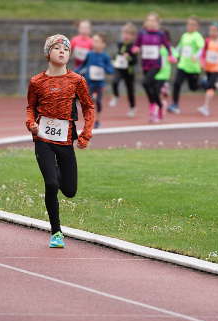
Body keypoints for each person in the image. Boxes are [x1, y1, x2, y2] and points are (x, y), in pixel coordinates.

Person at [25, 35, 94, 248]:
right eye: (56, 48)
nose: (62, 51)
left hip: (65, 140)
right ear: (48, 53)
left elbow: (88, 107)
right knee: (51, 183)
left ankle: (54, 167)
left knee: (70, 191)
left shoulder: (77, 80)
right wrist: (31, 124)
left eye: (65, 49)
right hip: (43, 139)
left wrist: (86, 133)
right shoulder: (36, 81)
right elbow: (30, 108)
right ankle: (56, 232)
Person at [131, 13, 175, 123]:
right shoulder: (142, 34)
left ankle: (153, 105)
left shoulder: (160, 35)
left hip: (156, 65)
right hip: (145, 64)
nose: (150, 23)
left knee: (145, 83)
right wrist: (135, 49)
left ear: (158, 23)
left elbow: (167, 45)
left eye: (153, 21)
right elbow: (136, 45)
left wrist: (170, 55)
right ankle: (158, 105)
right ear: (145, 23)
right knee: (152, 88)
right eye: (148, 20)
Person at [168, 16, 205, 114]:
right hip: (183, 65)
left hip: (193, 68)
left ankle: (207, 82)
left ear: (197, 26)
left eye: (193, 24)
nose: (190, 26)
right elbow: (179, 48)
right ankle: (175, 105)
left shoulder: (197, 36)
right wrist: (173, 55)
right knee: (176, 84)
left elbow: (202, 49)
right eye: (188, 24)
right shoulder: (184, 36)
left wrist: (196, 56)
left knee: (193, 88)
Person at [78, 33, 115, 128]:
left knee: (98, 101)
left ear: (103, 44)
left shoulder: (105, 57)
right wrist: (74, 72)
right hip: (89, 82)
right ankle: (89, 120)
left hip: (100, 84)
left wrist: (104, 67)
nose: (95, 43)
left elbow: (111, 70)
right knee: (89, 101)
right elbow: (83, 65)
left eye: (97, 41)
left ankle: (98, 120)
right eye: (93, 41)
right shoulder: (89, 54)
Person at [198, 22, 218, 117]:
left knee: (210, 87)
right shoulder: (207, 41)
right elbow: (203, 53)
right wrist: (202, 62)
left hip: (217, 67)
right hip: (208, 67)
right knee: (207, 85)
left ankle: (206, 107)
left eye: (215, 31)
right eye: (211, 30)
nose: (212, 33)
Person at [109, 22, 138, 117]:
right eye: (125, 33)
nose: (126, 36)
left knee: (130, 90)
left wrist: (128, 57)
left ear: (133, 36)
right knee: (114, 81)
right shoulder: (120, 44)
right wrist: (114, 59)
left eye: (129, 34)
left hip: (129, 71)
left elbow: (135, 61)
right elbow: (117, 54)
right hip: (119, 68)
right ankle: (116, 95)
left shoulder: (134, 46)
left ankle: (132, 107)